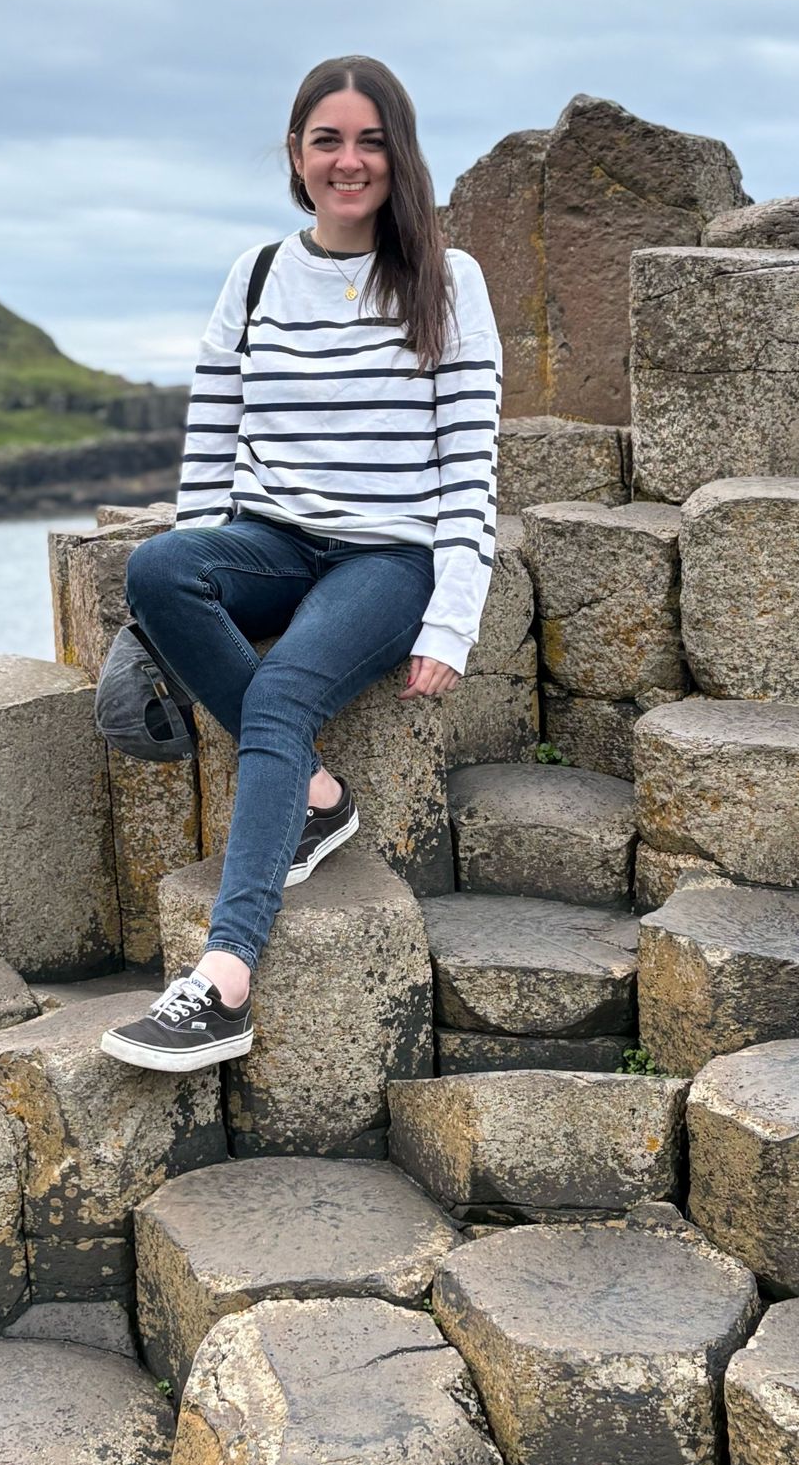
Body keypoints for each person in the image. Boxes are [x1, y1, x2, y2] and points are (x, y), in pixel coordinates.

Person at [99, 54, 502, 1072]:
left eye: (371, 140)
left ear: (399, 154)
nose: (349, 160)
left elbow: (469, 466)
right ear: (296, 153)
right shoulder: (260, 274)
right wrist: (192, 551)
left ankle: (224, 978)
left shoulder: (447, 281)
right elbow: (213, 432)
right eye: (328, 139)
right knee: (156, 570)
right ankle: (317, 796)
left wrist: (451, 616)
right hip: (274, 537)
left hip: (388, 555)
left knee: (278, 693)